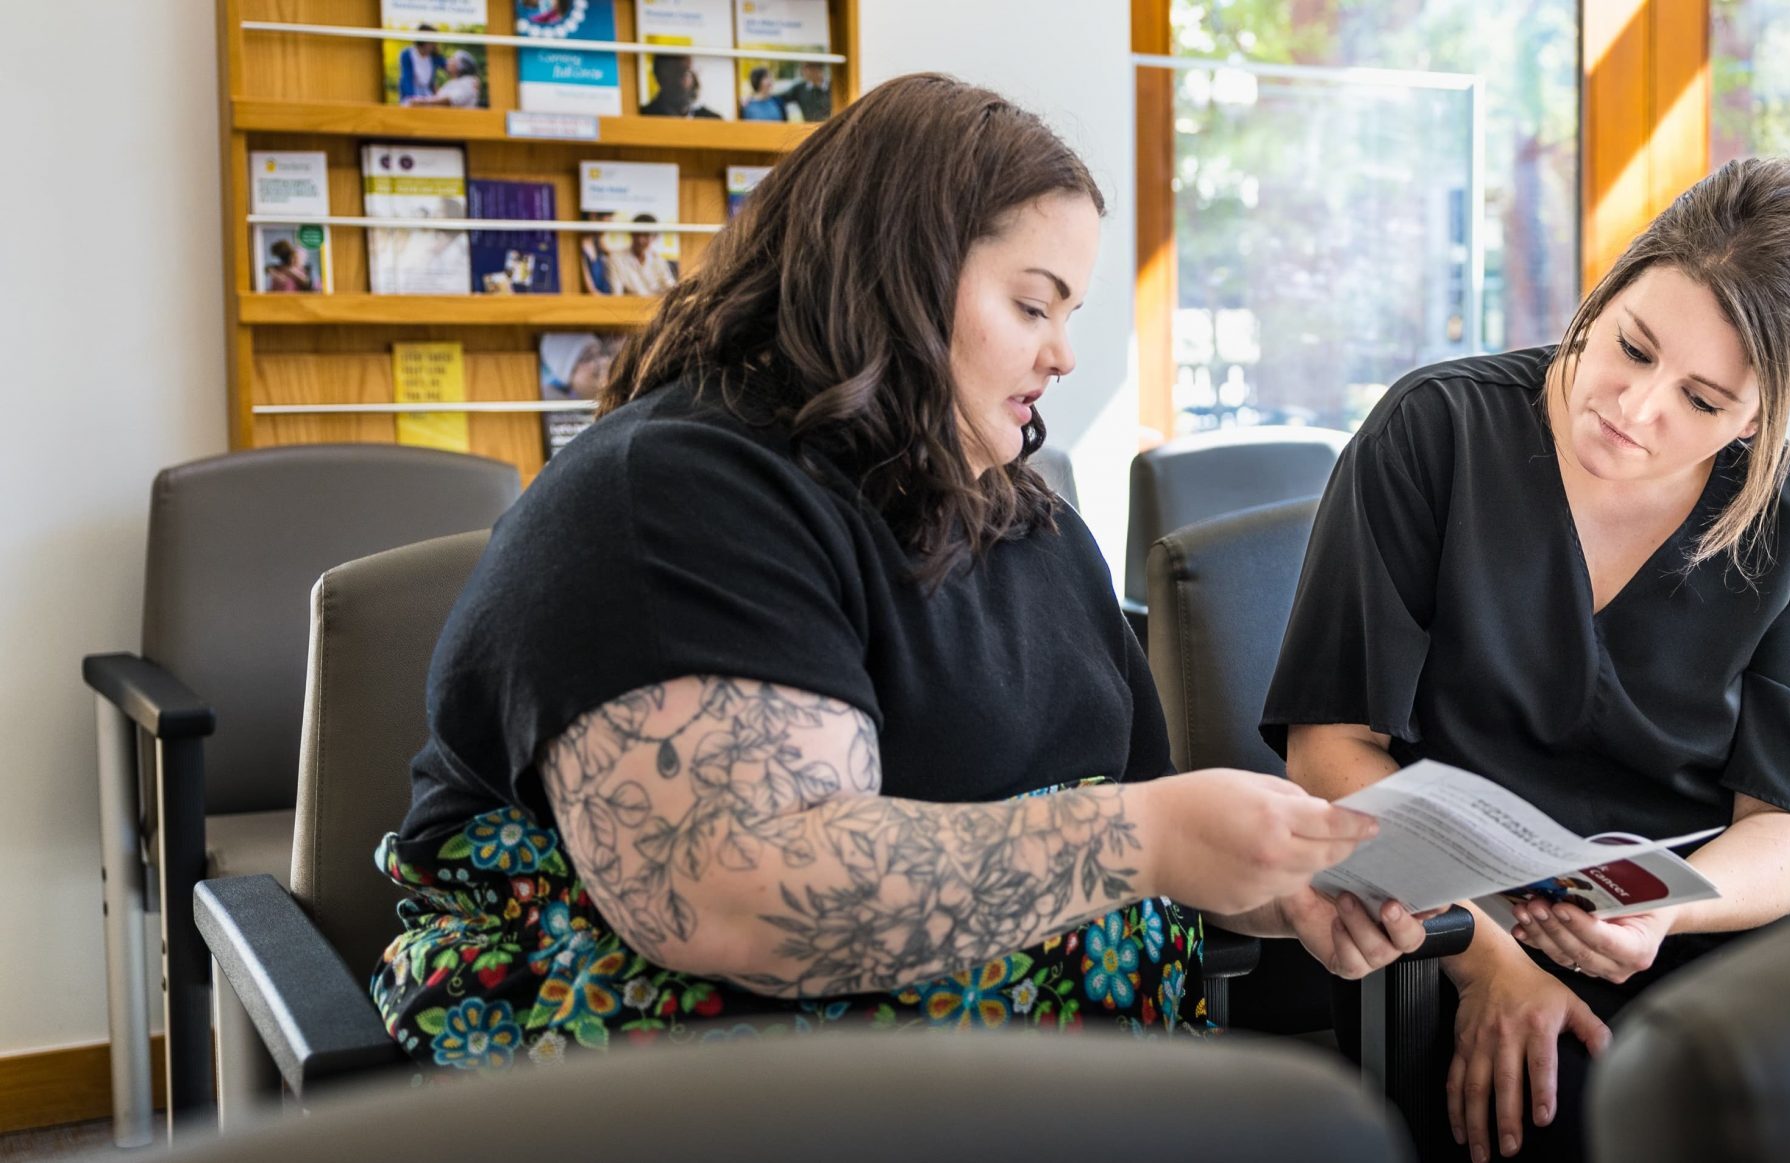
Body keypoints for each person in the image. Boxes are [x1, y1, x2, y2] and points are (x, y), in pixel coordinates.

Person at [371, 73, 1437, 1072]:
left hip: (1035, 1083)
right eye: (1033, 305)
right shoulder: (671, 492)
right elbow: (737, 899)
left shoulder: (1031, 526)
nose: (1063, 354)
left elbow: (1115, 838)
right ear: (902, 277)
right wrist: (1154, 840)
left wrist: (1266, 887)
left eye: (1070, 315)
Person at [1265, 156, 1790, 1162]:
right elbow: (1332, 754)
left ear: (1760, 415)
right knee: (1564, 1106)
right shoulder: (1434, 435)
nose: (1634, 409)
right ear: (1608, 290)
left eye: (1702, 399)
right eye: (1631, 347)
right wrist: (1494, 965)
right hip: (1447, 924)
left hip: (1694, 930)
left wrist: (1658, 919)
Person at [602, 214, 680, 297]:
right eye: (637, 234)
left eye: (646, 235)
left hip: (655, 307)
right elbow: (616, 295)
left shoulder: (658, 260)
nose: (640, 240)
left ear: (654, 237)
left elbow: (670, 288)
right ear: (631, 233)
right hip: (628, 307)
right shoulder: (616, 259)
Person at [641, 53, 718, 118]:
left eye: (693, 73)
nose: (696, 82)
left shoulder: (712, 120)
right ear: (661, 77)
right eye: (685, 73)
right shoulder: (643, 116)